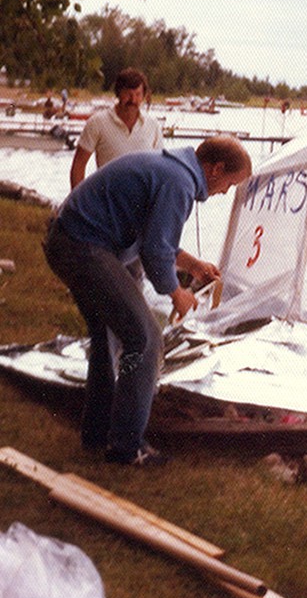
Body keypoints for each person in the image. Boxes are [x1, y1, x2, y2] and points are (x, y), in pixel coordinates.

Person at [43, 135, 252, 467]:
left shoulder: (171, 170)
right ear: (215, 169)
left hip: (68, 239)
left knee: (108, 337)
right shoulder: (180, 182)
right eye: (230, 183)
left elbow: (153, 238)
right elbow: (155, 252)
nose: (225, 191)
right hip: (83, 246)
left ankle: (98, 433)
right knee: (145, 339)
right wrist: (176, 293)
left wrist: (192, 265)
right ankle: (127, 446)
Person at [70, 68, 163, 189]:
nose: (133, 100)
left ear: (143, 96)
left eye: (138, 94)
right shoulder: (97, 123)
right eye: (128, 94)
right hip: (107, 203)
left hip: (142, 204)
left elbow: (160, 169)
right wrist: (79, 204)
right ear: (118, 93)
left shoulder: (153, 125)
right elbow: (78, 166)